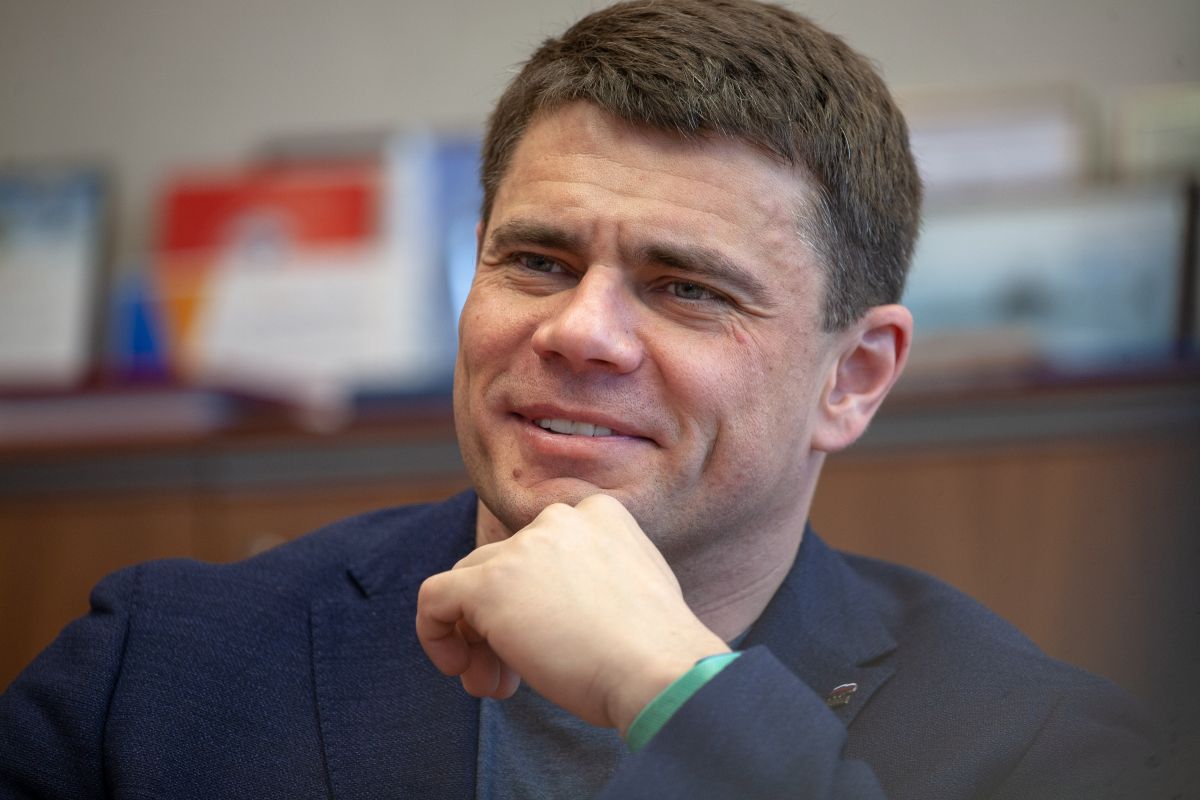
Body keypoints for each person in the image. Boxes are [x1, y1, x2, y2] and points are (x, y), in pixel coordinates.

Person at [0, 1, 1160, 797]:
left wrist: (680, 694)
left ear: (852, 377)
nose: (578, 331)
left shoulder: (1044, 747)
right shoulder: (156, 670)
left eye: (687, 287)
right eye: (537, 260)